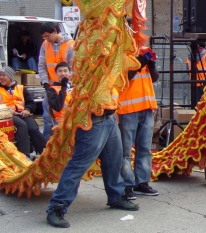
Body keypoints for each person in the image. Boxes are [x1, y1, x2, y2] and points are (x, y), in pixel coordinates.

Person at [45, 81, 138, 228]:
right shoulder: (93, 61)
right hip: (92, 120)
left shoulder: (112, 62)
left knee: (114, 160)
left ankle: (116, 196)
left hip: (109, 118)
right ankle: (56, 207)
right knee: (78, 165)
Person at [118, 47, 160, 200]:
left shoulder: (143, 52)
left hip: (147, 107)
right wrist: (138, 65)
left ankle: (141, 183)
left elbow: (154, 78)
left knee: (144, 149)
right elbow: (122, 79)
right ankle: (127, 185)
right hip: (128, 109)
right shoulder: (120, 54)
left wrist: (152, 65)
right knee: (125, 152)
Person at [0, 65, 46, 158]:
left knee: (33, 128)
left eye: (4, 75)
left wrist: (28, 110)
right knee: (22, 125)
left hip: (22, 113)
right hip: (7, 115)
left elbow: (31, 103)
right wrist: (9, 112)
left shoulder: (21, 88)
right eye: (0, 75)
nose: (1, 78)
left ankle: (45, 152)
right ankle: (24, 155)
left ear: (10, 77)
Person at [38, 22, 75, 140]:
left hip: (66, 88)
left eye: (47, 36)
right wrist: (45, 83)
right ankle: (47, 147)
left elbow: (74, 68)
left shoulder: (70, 45)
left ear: (55, 31)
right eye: (44, 37)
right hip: (51, 87)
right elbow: (42, 65)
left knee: (65, 117)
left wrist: (67, 85)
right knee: (48, 119)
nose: (45, 39)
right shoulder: (45, 45)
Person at [44, 62, 72, 129]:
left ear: (69, 73)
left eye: (65, 71)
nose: (63, 73)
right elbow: (58, 107)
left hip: (75, 119)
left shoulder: (73, 88)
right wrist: (63, 87)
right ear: (56, 74)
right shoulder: (52, 90)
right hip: (61, 123)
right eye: (60, 71)